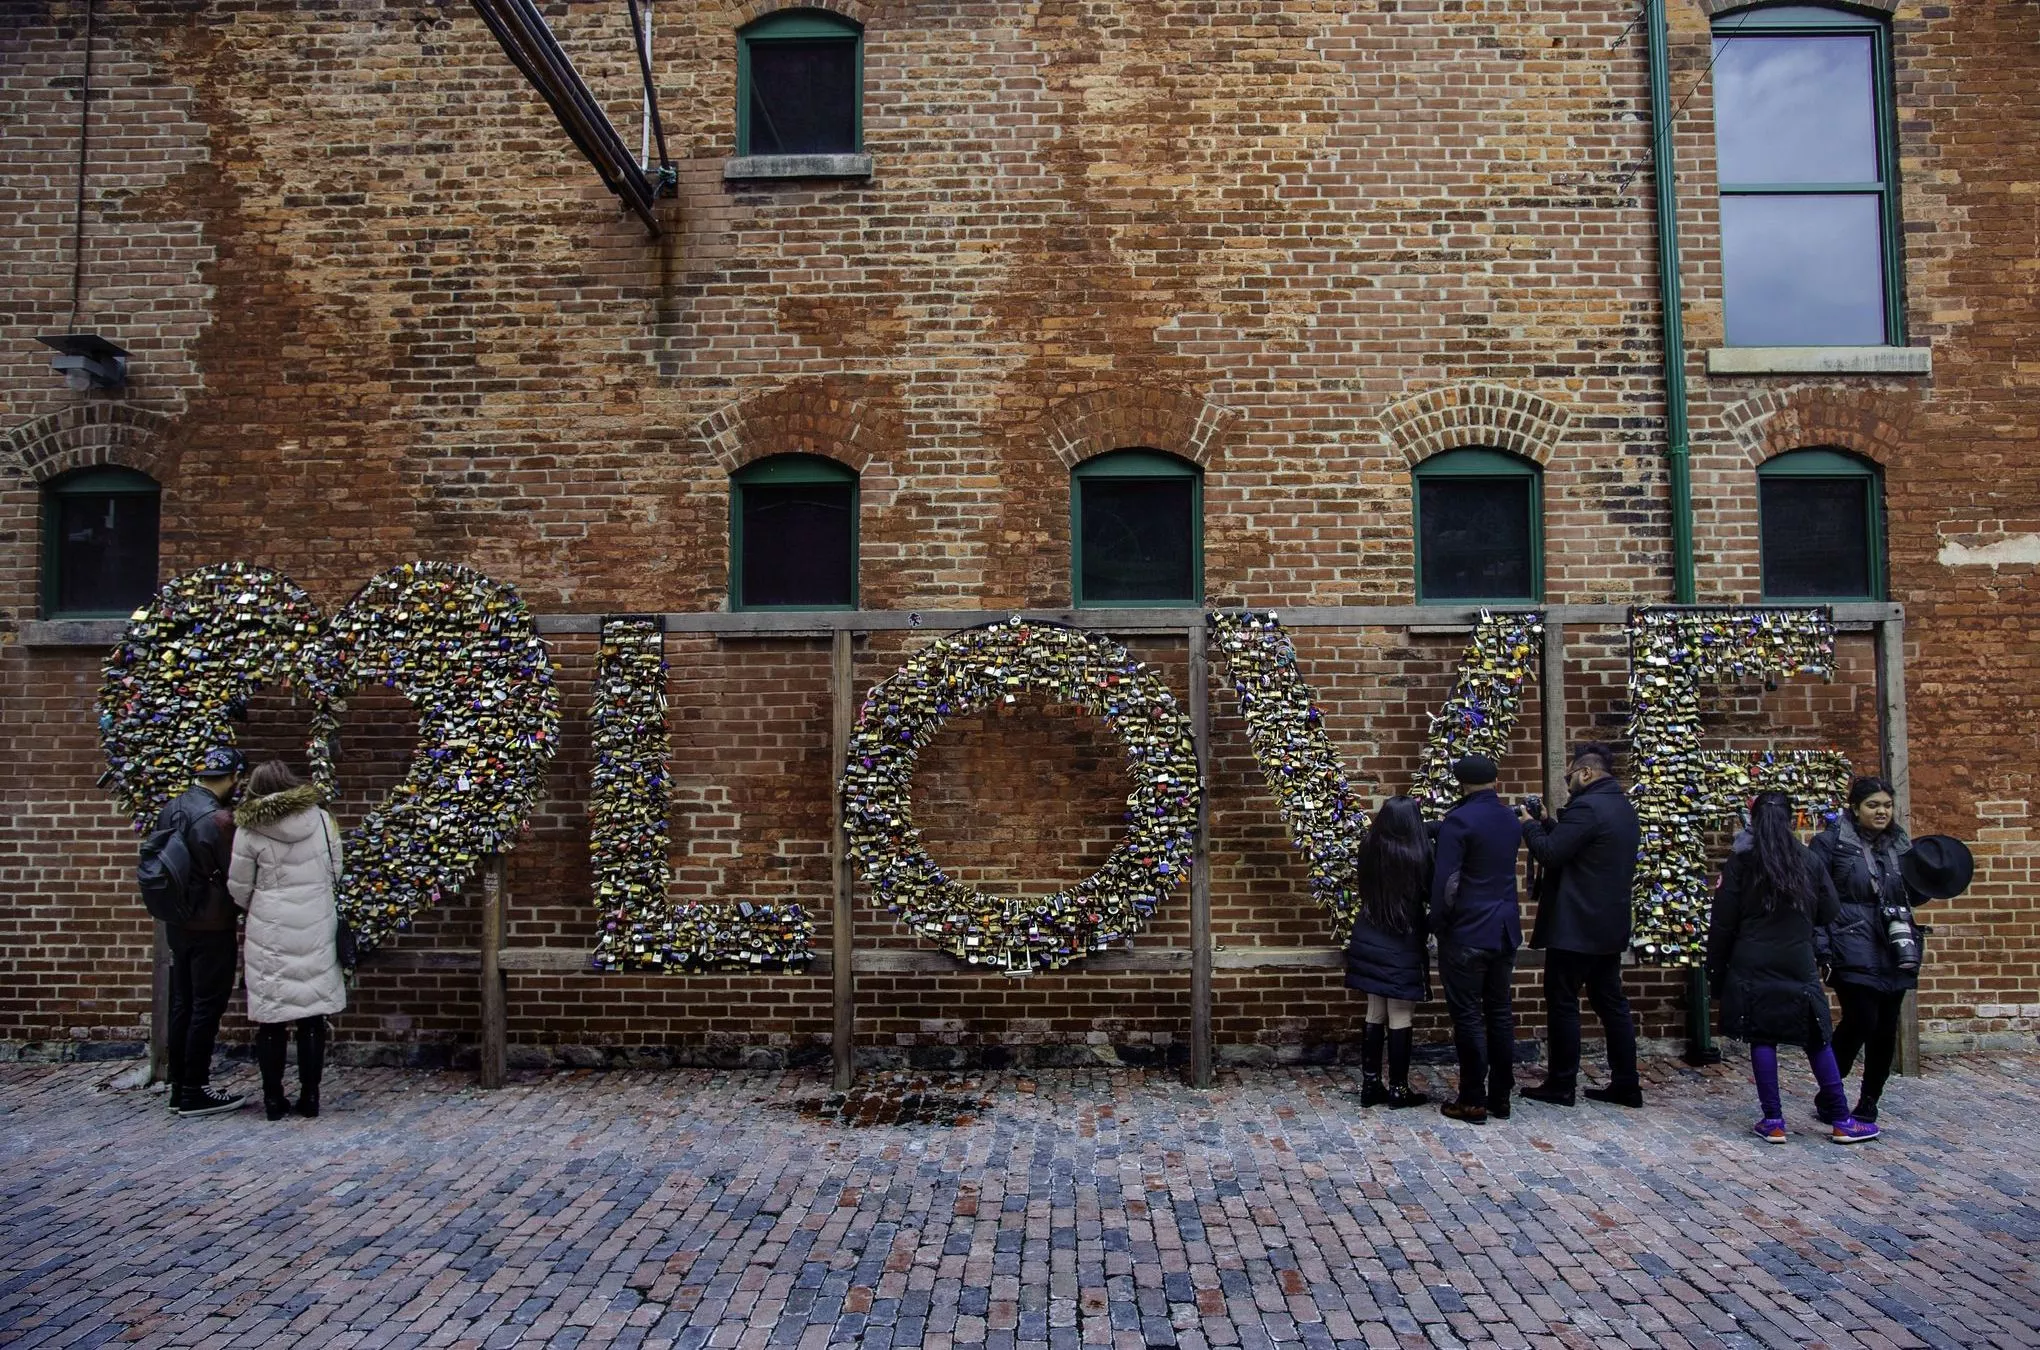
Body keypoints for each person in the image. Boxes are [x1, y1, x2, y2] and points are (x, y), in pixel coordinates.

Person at [1708, 790, 1878, 1144]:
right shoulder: (1808, 860)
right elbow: (1830, 911)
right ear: (1791, 819)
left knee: (1762, 1036)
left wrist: (1716, 970)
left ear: (1752, 820)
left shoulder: (1741, 863)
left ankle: (1773, 1120)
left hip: (1751, 958)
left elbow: (1723, 922)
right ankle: (1841, 1119)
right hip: (1797, 958)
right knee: (1816, 1036)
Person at [1517, 741, 1644, 1109]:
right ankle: (1626, 1083)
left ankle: (1561, 1083)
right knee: (1611, 1003)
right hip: (1608, 924)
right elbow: (1579, 845)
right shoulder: (1620, 805)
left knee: (1562, 1001)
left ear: (1586, 773)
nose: (1567, 779)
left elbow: (1552, 852)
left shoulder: (1587, 806)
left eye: (1570, 773)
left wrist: (1529, 827)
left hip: (1575, 927)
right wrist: (1546, 822)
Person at [227, 759, 346, 1121]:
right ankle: (311, 1096)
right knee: (312, 1018)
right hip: (316, 923)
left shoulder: (249, 829)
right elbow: (335, 870)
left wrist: (264, 900)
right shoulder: (322, 820)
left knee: (271, 1019)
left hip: (271, 930)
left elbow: (239, 887)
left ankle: (273, 1100)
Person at [1811, 775, 1921, 1127]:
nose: (1881, 812)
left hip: (1894, 943)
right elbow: (1815, 900)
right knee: (1861, 1018)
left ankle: (1870, 1099)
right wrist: (1823, 948)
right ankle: (1832, 1086)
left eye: (1886, 805)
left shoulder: (1900, 844)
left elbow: (1915, 892)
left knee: (1885, 1026)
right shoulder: (1830, 845)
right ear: (1855, 808)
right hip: (1850, 940)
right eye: (1873, 805)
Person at [1429, 754, 1524, 1124]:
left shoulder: (1459, 820)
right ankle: (1501, 1096)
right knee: (1500, 1013)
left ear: (1461, 782)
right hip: (1505, 930)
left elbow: (1446, 881)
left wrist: (1438, 922)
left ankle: (1472, 1100)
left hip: (1468, 930)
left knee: (1468, 1016)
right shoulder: (1509, 818)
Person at [155, 746, 248, 1117]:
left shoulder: (171, 808)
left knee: (182, 1002)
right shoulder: (219, 820)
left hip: (176, 921)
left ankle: (180, 1086)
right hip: (211, 924)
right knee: (207, 1007)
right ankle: (195, 1088)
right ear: (233, 777)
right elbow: (235, 875)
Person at [1343, 795, 1433, 1109]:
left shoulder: (1369, 848)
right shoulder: (1419, 854)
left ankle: (1370, 1084)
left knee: (1374, 1011)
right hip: (1402, 938)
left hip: (1368, 934)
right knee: (1400, 1013)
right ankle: (1398, 1088)